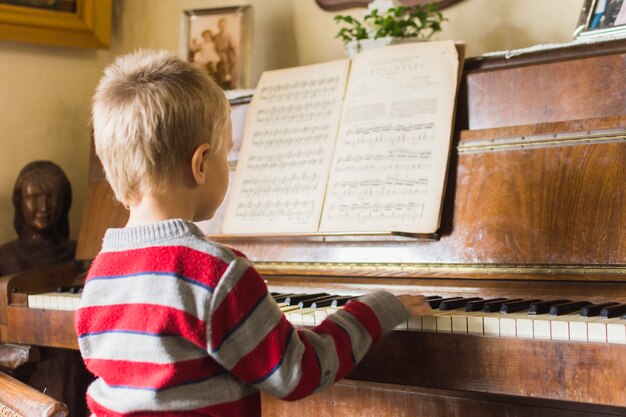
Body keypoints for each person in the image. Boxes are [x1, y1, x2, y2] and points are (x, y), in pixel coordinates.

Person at [75, 49, 430, 417]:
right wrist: (375, 310)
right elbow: (296, 373)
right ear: (200, 164)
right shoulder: (215, 273)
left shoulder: (100, 274)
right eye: (227, 157)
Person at [0, 160, 76, 276]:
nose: (43, 208)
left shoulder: (80, 254)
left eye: (52, 198)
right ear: (19, 201)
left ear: (64, 202)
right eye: (33, 198)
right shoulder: (4, 259)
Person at [213, 17, 236, 88]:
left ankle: (228, 77)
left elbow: (233, 47)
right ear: (218, 26)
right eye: (220, 25)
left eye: (223, 25)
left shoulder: (229, 35)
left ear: (226, 26)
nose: (222, 27)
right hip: (217, 56)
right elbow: (213, 47)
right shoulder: (216, 36)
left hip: (227, 55)